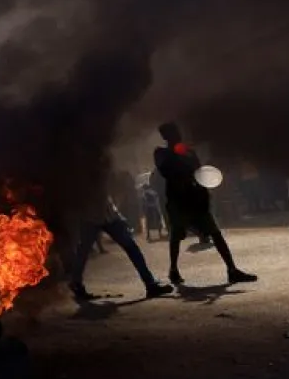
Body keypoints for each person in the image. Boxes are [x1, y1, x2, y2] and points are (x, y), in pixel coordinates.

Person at [154, 123, 258, 287]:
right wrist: (178, 154)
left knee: (215, 233)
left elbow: (199, 172)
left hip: (195, 198)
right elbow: (166, 171)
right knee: (176, 236)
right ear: (165, 136)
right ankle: (173, 270)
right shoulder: (162, 153)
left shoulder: (188, 152)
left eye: (177, 131)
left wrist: (205, 193)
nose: (178, 135)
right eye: (173, 132)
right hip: (178, 200)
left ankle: (232, 270)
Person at [70, 196, 175, 301]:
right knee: (84, 251)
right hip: (94, 215)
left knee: (131, 248)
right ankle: (76, 283)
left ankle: (150, 284)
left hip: (104, 214)